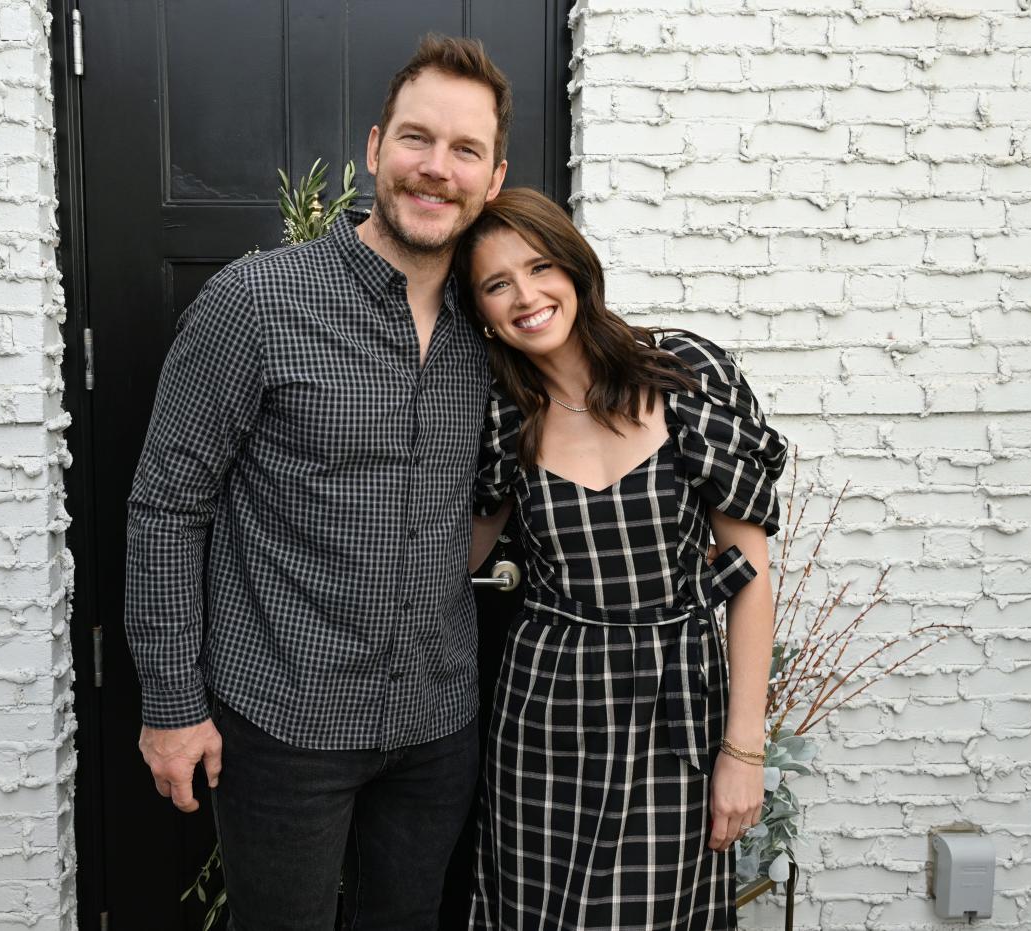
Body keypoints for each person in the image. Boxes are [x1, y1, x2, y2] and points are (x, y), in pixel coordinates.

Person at [123, 36, 509, 931]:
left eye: (465, 151)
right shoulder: (256, 303)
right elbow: (166, 506)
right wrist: (172, 707)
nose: (435, 169)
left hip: (436, 721)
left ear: (491, 180)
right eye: (418, 139)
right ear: (375, 149)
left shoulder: (489, 328)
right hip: (283, 720)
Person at [455, 188, 788, 931]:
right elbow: (454, 559)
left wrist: (742, 751)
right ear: (478, 308)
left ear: (574, 268)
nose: (526, 296)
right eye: (496, 283)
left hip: (674, 710)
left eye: (539, 267)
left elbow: (750, 579)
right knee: (533, 912)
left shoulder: (685, 376)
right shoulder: (501, 413)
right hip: (545, 709)